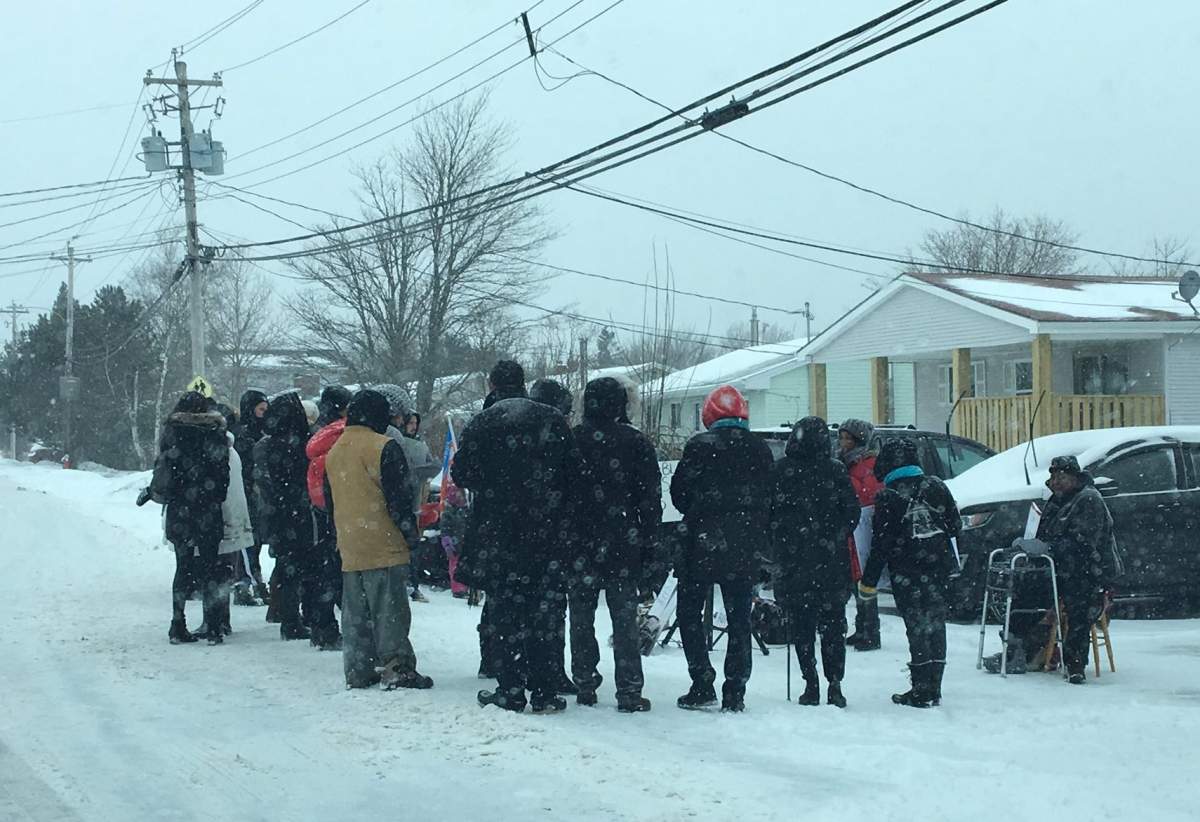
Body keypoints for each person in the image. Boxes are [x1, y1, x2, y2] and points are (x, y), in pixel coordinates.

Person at [452, 360, 580, 714]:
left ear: (492, 383)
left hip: (498, 532)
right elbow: (574, 475)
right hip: (546, 530)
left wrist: (496, 488)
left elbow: (462, 473)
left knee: (507, 610)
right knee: (544, 610)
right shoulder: (551, 419)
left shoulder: (485, 421)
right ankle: (544, 688)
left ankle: (510, 687)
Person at [669, 384, 774, 713]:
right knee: (739, 618)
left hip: (701, 542)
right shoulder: (760, 449)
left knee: (689, 613)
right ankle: (735, 690)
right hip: (744, 544)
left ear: (708, 416)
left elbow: (680, 495)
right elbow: (770, 497)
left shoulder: (699, 447)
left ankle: (702, 682)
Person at [325, 389, 433, 690]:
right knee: (390, 611)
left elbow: (329, 501)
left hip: (349, 542)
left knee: (356, 613)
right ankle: (397, 666)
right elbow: (398, 498)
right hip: (383, 542)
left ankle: (358, 668)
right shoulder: (383, 447)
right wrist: (409, 534)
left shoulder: (335, 451)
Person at [570, 376, 661, 713]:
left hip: (580, 542)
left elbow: (561, 493)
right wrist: (650, 542)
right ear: (622, 404)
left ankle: (584, 681)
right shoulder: (635, 443)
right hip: (624, 539)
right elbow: (650, 500)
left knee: (581, 614)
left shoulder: (573, 440)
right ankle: (629, 689)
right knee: (623, 618)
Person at [984, 456, 1117, 684]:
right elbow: (1045, 534)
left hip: (1091, 570)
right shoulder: (1057, 500)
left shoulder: (1088, 500)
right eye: (1053, 477)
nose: (1056, 482)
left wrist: (1049, 548)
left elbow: (1084, 544)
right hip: (1057, 567)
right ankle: (1018, 651)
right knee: (1024, 590)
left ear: (1074, 477)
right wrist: (1029, 545)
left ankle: (1075, 663)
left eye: (1061, 477)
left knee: (1078, 600)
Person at [858, 439, 961, 708]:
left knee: (916, 627)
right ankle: (935, 685)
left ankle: (921, 688)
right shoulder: (937, 486)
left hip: (908, 572)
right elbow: (955, 525)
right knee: (937, 625)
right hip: (939, 568)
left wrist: (868, 582)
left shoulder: (889, 497)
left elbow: (881, 544)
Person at [769, 417, 861, 708]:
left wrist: (783, 540)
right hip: (831, 562)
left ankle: (810, 683)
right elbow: (852, 513)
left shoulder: (782, 470)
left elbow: (769, 514)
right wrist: (833, 535)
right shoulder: (835, 470)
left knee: (802, 626)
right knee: (834, 625)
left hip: (794, 561)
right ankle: (835, 683)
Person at [150, 391, 231, 645]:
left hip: (180, 508)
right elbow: (223, 478)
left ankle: (177, 623)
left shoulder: (172, 434)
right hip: (207, 508)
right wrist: (211, 493)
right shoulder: (215, 434)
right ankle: (214, 626)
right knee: (211, 567)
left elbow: (163, 471)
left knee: (183, 566)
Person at [253, 390, 318, 641]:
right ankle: (293, 619)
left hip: (276, 513)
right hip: (297, 513)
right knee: (298, 566)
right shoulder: (298, 444)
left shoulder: (267, 444)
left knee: (285, 565)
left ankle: (285, 614)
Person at [374, 384, 439, 603]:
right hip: (392, 512)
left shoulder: (358, 436)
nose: (407, 423)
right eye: (405, 417)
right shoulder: (393, 439)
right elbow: (397, 482)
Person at [303, 385, 353, 650]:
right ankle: (332, 628)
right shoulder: (343, 434)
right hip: (338, 511)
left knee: (321, 570)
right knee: (336, 573)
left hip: (317, 510)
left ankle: (320, 625)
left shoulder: (317, 435)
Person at [839, 419, 883, 651]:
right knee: (855, 580)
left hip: (863, 530)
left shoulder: (867, 463)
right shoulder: (847, 462)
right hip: (852, 530)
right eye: (842, 438)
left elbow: (869, 494)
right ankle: (862, 626)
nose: (843, 443)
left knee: (864, 581)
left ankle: (870, 629)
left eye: (848, 438)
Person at [231, 389, 270, 608]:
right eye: (261, 409)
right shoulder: (243, 434)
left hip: (258, 495)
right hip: (247, 494)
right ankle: (249, 582)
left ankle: (248, 580)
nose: (264, 414)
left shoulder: (261, 432)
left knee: (254, 540)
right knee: (248, 540)